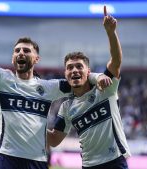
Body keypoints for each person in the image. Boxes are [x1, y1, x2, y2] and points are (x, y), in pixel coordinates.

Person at [0, 5, 111, 169]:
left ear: (36, 59)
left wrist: (98, 77)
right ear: (13, 58)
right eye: (17, 50)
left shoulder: (47, 87)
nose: (21, 53)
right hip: (7, 157)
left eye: (26, 50)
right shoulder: (0, 79)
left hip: (37, 161)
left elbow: (79, 79)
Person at [47, 6, 131, 169]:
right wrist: (34, 122)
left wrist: (111, 32)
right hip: (88, 165)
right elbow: (55, 140)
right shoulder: (66, 107)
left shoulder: (105, 87)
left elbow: (116, 62)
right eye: (70, 67)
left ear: (88, 71)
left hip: (115, 161)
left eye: (79, 66)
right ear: (65, 74)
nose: (74, 70)